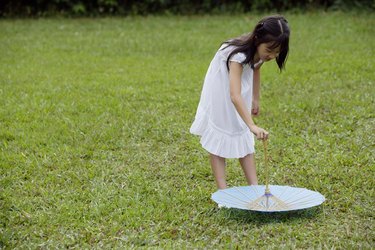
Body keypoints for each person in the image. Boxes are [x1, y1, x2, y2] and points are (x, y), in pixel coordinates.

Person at [190, 15, 290, 190]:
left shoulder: (261, 53)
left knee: (242, 132)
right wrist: (252, 125)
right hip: (221, 89)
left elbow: (256, 67)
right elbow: (234, 95)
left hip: (238, 86)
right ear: (257, 39)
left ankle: (254, 187)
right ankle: (223, 192)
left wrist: (255, 98)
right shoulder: (238, 55)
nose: (272, 56)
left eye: (277, 52)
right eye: (269, 50)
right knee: (221, 132)